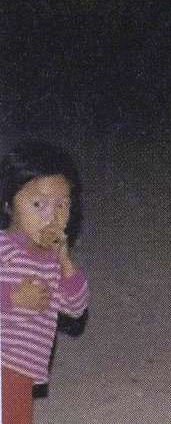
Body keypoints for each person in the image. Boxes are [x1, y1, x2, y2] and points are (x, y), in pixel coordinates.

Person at [0, 140, 90, 424]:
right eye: (38, 204)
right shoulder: (3, 246)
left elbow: (76, 307)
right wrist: (11, 297)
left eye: (62, 205)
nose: (52, 216)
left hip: (22, 371)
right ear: (8, 204)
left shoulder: (52, 263)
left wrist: (65, 262)